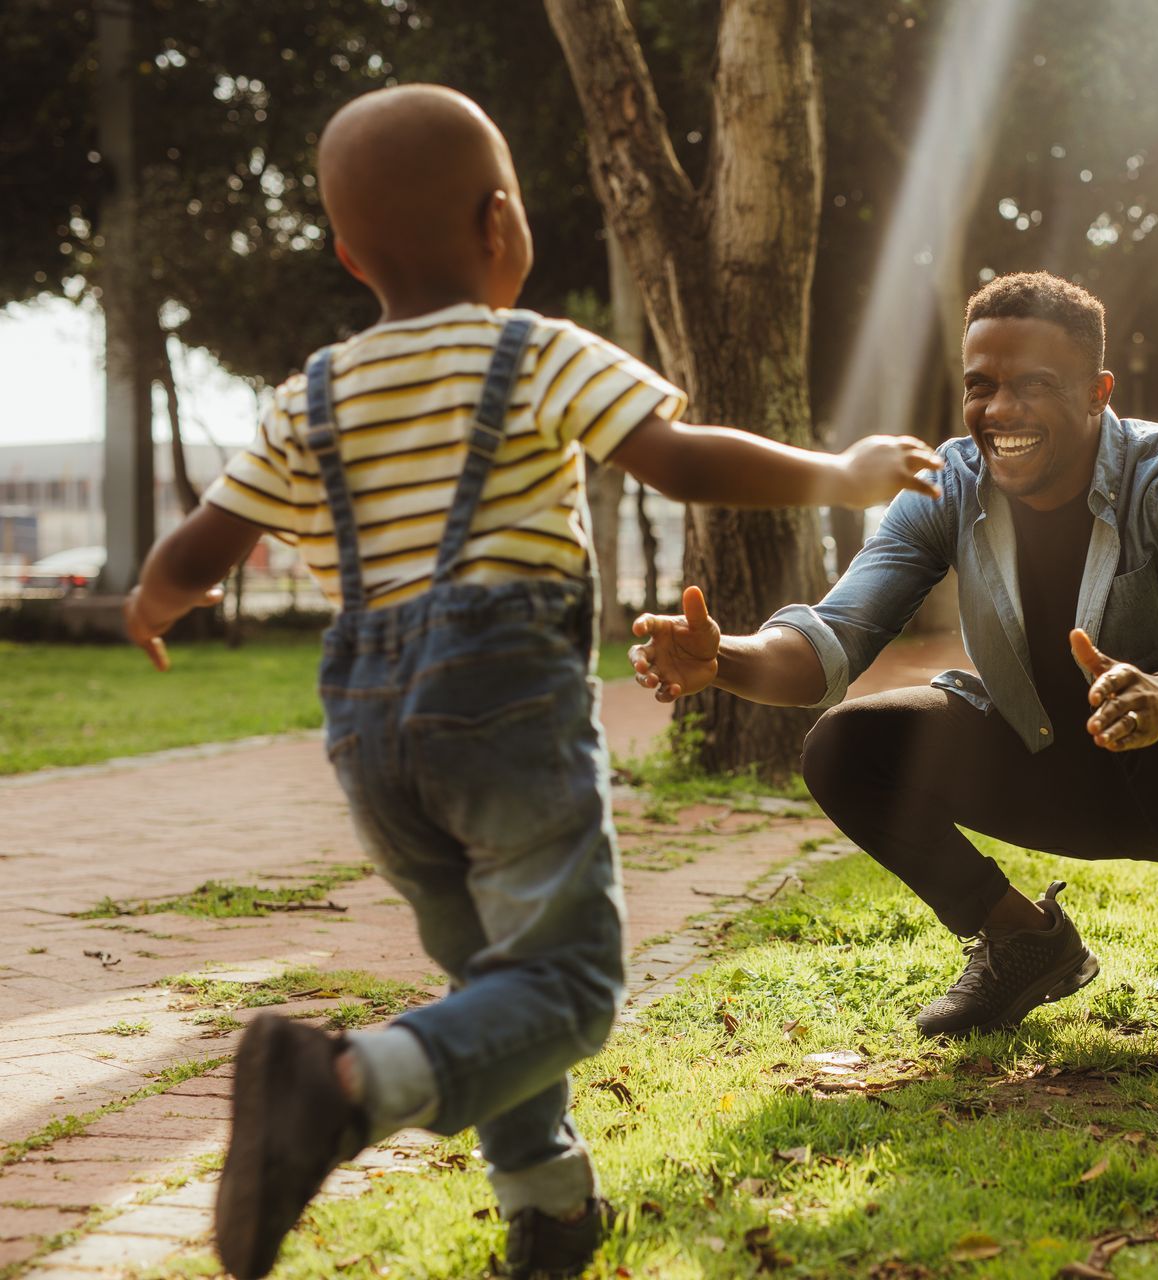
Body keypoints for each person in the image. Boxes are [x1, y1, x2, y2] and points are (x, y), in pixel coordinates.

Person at [122, 84, 940, 1280]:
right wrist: (843, 472)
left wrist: (150, 602)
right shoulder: (532, 349)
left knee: (495, 981)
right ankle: (343, 1084)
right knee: (568, 983)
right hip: (499, 707)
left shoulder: (311, 396)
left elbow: (200, 546)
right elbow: (680, 459)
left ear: (350, 255)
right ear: (501, 222)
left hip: (368, 730)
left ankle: (549, 1205)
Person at [629, 271, 1158, 1073]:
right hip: (1040, 759)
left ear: (1098, 392)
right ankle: (1023, 942)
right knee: (843, 746)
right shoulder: (945, 486)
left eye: (1034, 386)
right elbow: (832, 640)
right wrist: (722, 660)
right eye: (980, 387)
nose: (1000, 411)